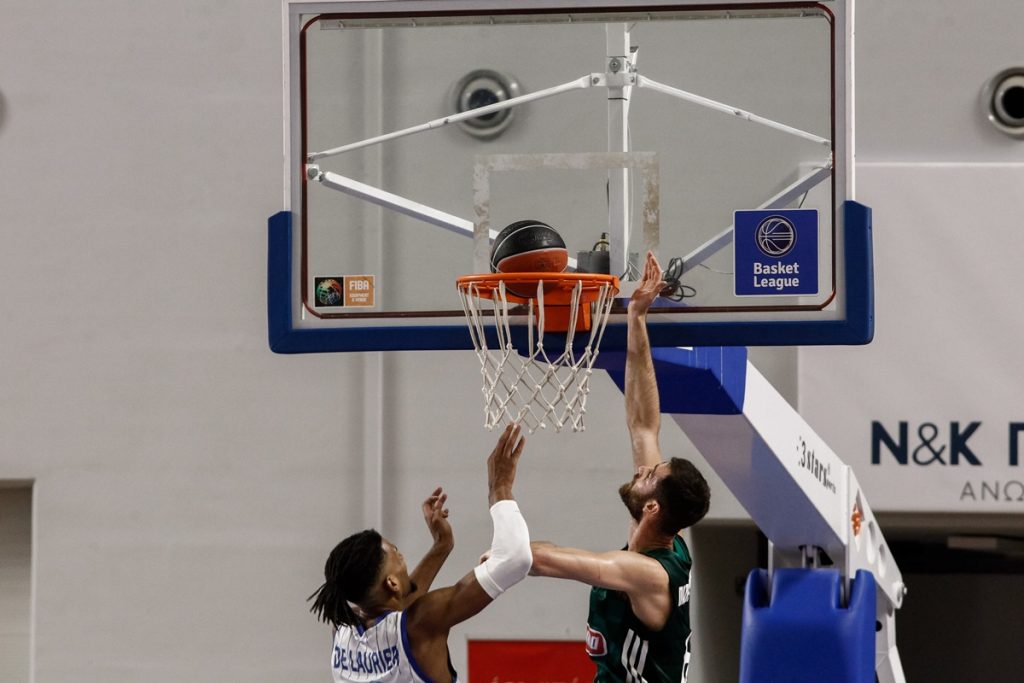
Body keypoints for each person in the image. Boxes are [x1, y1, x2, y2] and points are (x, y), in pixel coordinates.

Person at [529, 252, 711, 683]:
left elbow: (555, 561)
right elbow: (644, 424)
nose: (641, 471)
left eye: (650, 475)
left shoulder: (647, 573)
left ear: (652, 509)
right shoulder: (666, 536)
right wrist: (637, 319)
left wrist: (503, 514)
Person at [308, 423, 530, 683]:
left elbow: (397, 605)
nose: (403, 559)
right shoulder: (422, 623)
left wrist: (441, 546)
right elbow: (516, 558)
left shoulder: (342, 630)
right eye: (397, 554)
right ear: (391, 582)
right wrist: (500, 489)